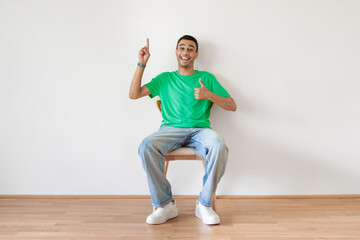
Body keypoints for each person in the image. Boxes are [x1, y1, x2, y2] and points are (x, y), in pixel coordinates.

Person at [129, 35, 236, 225]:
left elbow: (231, 105)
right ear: (176, 52)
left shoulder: (207, 78)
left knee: (219, 145)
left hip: (200, 130)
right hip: (170, 130)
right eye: (182, 48)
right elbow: (133, 94)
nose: (185, 52)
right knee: (146, 146)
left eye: (190, 49)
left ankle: (204, 204)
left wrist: (209, 95)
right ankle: (165, 204)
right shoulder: (165, 79)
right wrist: (141, 64)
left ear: (196, 54)